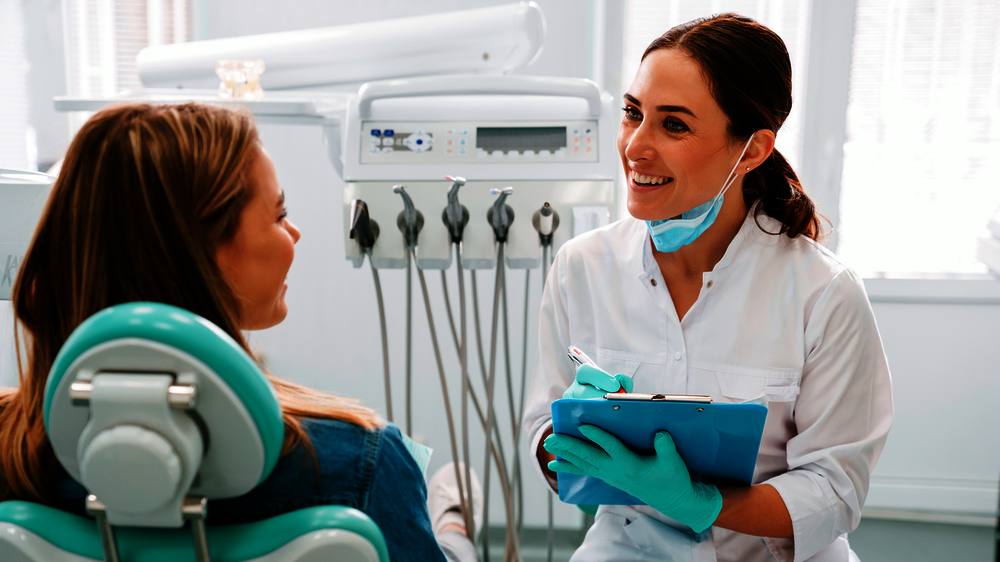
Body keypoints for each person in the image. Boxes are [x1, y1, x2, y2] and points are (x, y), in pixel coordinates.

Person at [0, 102, 481, 562]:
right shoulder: (363, 463)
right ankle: (455, 518)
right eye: (278, 215)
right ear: (202, 253)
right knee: (452, 538)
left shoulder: (12, 452)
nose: (294, 233)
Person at [522, 13, 893, 562]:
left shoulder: (824, 294)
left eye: (674, 125)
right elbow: (541, 434)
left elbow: (835, 491)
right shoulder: (582, 268)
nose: (635, 146)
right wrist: (566, 440)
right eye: (633, 113)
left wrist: (703, 503)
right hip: (627, 546)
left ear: (752, 150)